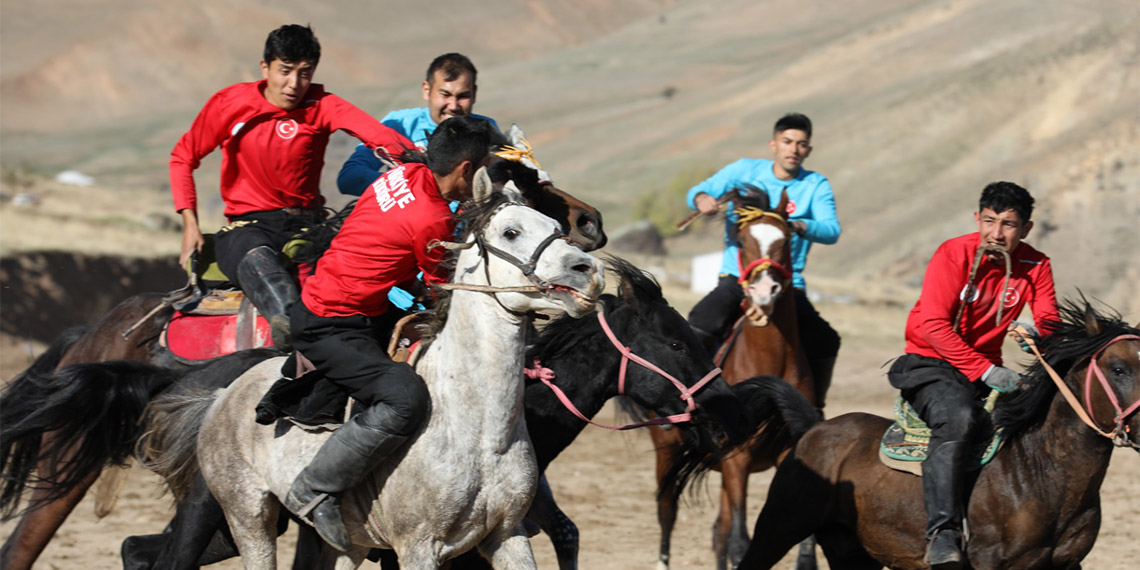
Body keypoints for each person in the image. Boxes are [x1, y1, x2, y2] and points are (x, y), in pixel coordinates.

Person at [278, 115, 496, 552]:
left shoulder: (407, 173)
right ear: (467, 171)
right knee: (406, 398)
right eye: (484, 168)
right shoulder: (431, 218)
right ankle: (313, 487)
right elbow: (442, 290)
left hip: (342, 305)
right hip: (332, 324)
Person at [169, 24, 414, 350]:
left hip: (309, 226)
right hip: (249, 227)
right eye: (285, 71)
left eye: (304, 73)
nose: (294, 84)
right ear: (265, 67)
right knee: (262, 264)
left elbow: (380, 137)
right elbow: (183, 157)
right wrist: (190, 225)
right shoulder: (230, 104)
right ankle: (292, 339)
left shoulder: (322, 105)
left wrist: (423, 161)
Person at [887, 181, 1058, 569]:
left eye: (1009, 224)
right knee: (960, 419)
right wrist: (985, 370)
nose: (997, 233)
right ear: (976, 219)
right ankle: (943, 533)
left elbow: (1049, 320)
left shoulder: (1037, 264)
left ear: (1026, 229)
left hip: (985, 368)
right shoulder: (953, 253)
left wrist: (1039, 337)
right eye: (989, 221)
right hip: (929, 362)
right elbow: (932, 324)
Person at [685, 113, 841, 406]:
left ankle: (813, 409)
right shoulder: (744, 170)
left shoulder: (815, 186)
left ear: (808, 150)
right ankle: (687, 398)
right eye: (787, 141)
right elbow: (697, 191)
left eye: (801, 144)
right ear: (774, 144)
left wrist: (800, 225)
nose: (793, 149)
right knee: (700, 322)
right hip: (738, 278)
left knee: (825, 339)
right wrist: (701, 199)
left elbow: (832, 230)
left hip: (786, 283)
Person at [336, 52, 500, 196]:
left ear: (475, 93)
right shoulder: (400, 125)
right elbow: (350, 178)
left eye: (463, 96)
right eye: (445, 94)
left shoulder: (484, 130)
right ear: (426, 90)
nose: (453, 106)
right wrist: (412, 187)